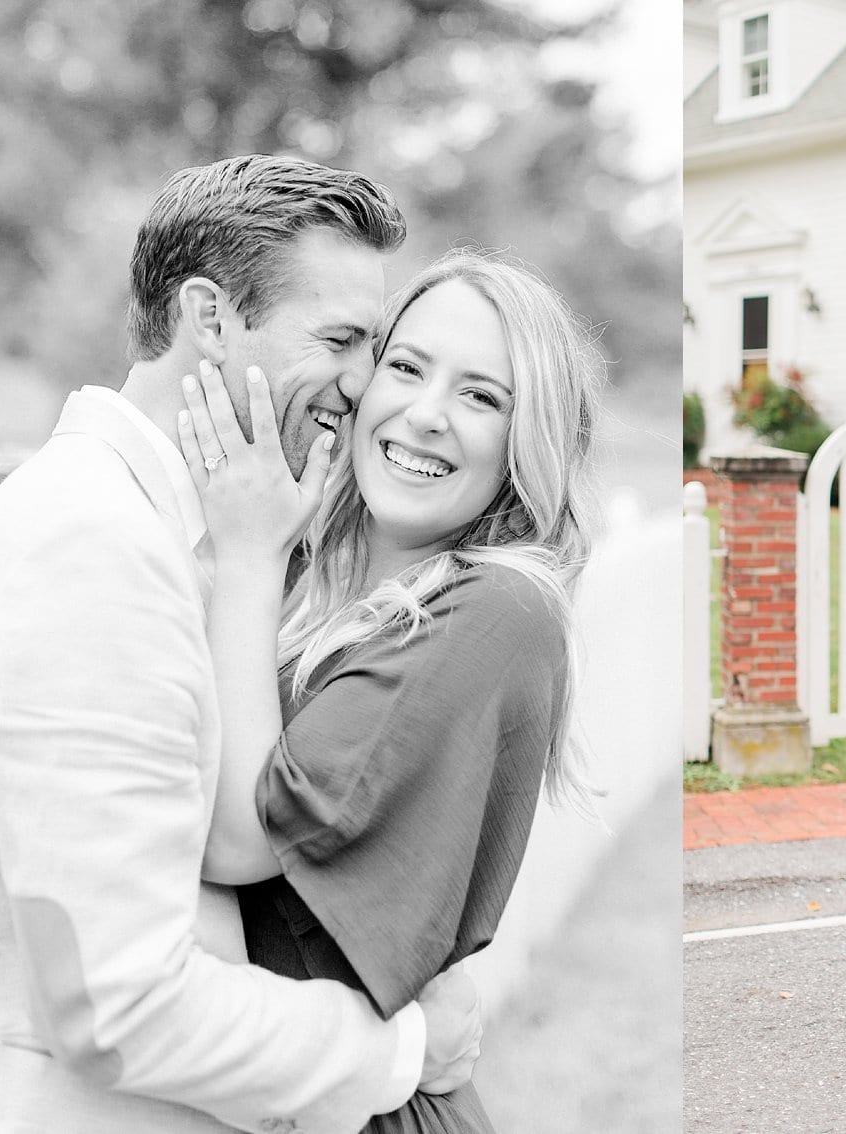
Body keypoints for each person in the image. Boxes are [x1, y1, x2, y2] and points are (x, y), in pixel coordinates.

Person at [0, 155, 481, 1134]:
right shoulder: (88, 547)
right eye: (341, 339)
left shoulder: (179, 542)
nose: (364, 387)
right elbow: (117, 1003)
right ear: (210, 319)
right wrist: (401, 1049)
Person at [177, 247, 601, 1133]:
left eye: (483, 396)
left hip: (363, 1112)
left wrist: (247, 555)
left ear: (532, 436)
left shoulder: (499, 606)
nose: (426, 414)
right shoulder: (303, 583)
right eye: (405, 368)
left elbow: (237, 842)